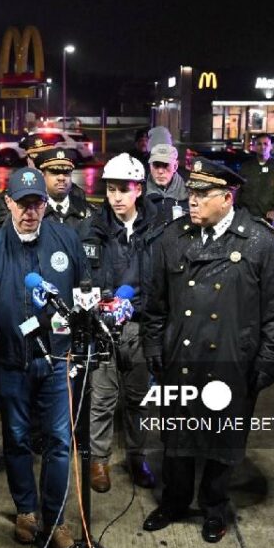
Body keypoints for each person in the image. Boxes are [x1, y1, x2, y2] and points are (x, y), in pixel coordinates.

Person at [142, 159, 274, 543]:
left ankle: (213, 506)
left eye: (202, 194)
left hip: (232, 360)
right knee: (176, 436)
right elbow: (155, 304)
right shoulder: (173, 237)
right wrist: (155, 347)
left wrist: (269, 362)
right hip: (182, 357)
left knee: (222, 441)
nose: (192, 201)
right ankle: (174, 502)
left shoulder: (259, 240)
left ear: (226, 198)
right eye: (190, 193)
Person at [0, 167, 89, 548]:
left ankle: (55, 518)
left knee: (58, 442)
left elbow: (84, 289)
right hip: (12, 362)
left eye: (36, 203)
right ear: (8, 203)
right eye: (22, 203)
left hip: (56, 359)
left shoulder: (66, 240)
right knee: (16, 439)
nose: (29, 211)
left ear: (45, 205)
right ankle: (26, 512)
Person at [81, 154, 164, 492]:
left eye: (124, 189)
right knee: (101, 398)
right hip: (103, 326)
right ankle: (99, 461)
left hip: (141, 327)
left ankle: (136, 457)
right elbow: (84, 275)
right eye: (111, 189)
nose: (116, 197)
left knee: (138, 400)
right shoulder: (92, 229)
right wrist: (103, 303)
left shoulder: (159, 229)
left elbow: (160, 279)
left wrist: (135, 305)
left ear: (139, 190)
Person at [0, 146, 96, 232]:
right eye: (54, 172)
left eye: (66, 173)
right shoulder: (27, 214)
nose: (61, 178)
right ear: (42, 175)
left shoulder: (87, 212)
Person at [237, 132, 274, 223]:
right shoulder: (246, 167)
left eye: (265, 144)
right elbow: (238, 190)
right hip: (246, 217)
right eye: (259, 144)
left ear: (271, 147)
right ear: (254, 147)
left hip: (268, 218)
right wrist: (237, 209)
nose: (262, 147)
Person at [145, 143, 188, 225]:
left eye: (165, 165)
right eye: (156, 165)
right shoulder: (139, 194)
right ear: (150, 166)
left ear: (175, 166)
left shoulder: (189, 192)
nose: (160, 171)